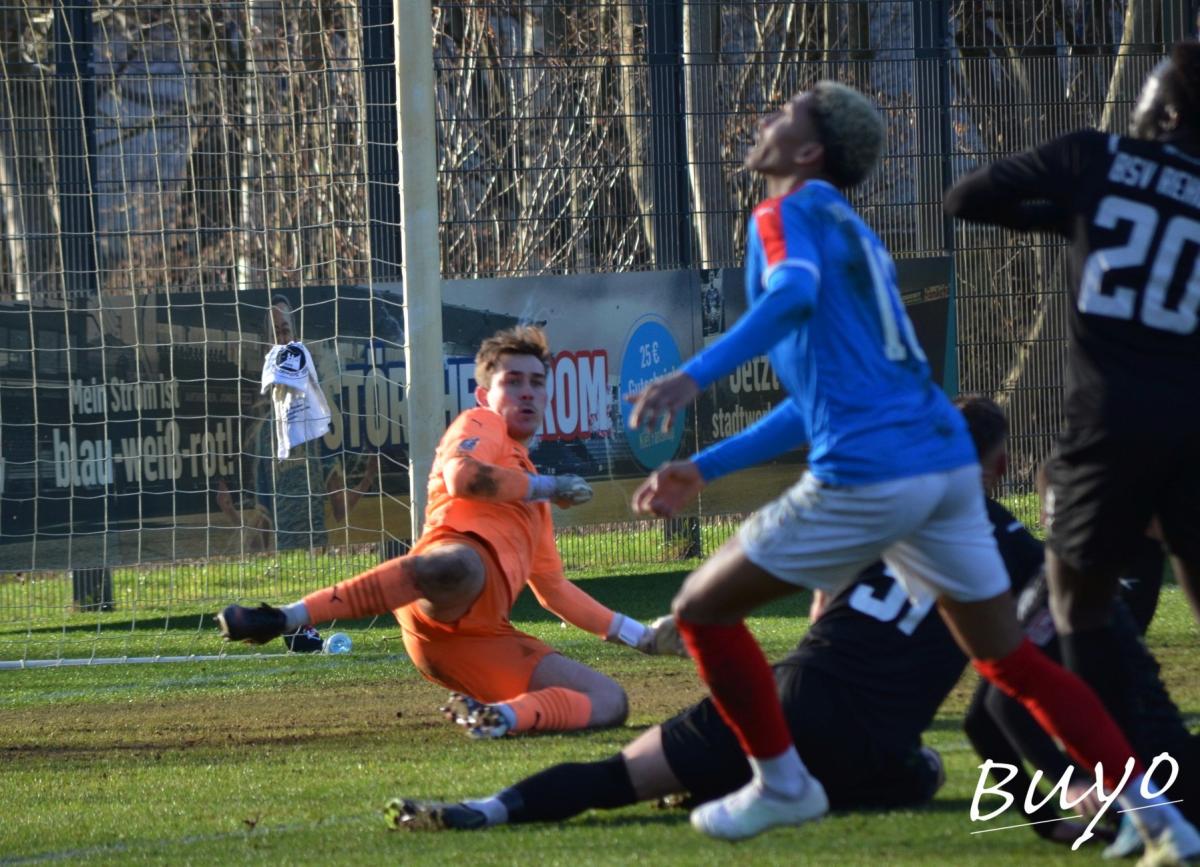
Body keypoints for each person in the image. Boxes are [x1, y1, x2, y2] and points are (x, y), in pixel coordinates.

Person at [623, 80, 1199, 860]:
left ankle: (782, 781)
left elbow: (791, 297)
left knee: (699, 608)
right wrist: (706, 463)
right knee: (1010, 659)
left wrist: (692, 377)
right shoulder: (854, 231)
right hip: (944, 461)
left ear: (808, 151)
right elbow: (812, 401)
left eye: (782, 115)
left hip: (873, 470)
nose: (763, 121)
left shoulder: (785, 212)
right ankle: (1157, 811)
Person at [381, 395, 1034, 834]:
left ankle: (487, 809)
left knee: (617, 775)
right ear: (1000, 466)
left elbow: (814, 598)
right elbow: (1016, 681)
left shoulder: (880, 508)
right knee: (922, 770)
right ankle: (744, 786)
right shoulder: (1017, 552)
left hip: (787, 694)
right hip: (871, 741)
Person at [944, 42, 1200, 863]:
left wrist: (1074, 215)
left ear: (1163, 112)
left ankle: (1137, 799)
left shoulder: (1097, 155)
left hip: (1107, 424)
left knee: (1076, 608)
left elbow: (967, 197)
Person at [217, 325, 680, 736]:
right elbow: (462, 477)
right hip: (441, 594)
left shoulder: (532, 495)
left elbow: (555, 592)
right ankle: (286, 618)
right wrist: (547, 485)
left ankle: (501, 718)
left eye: (537, 383)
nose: (527, 393)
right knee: (462, 563)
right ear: (484, 395)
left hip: (480, 643)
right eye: (512, 381)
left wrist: (642, 637)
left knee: (609, 702)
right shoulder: (483, 425)